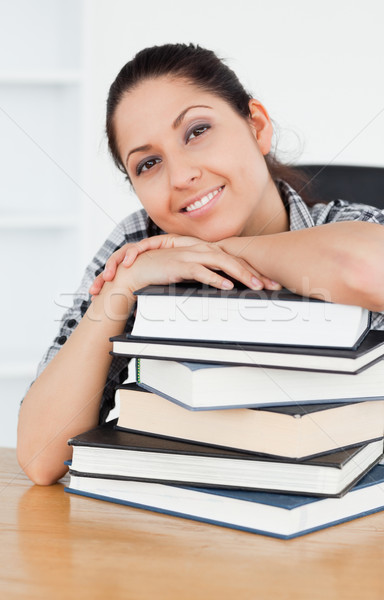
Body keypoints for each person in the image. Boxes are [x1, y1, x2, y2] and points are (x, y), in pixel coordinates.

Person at [17, 43, 384, 485]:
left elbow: (368, 271)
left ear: (257, 126)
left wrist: (228, 250)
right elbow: (40, 456)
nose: (180, 176)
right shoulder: (139, 246)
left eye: (196, 131)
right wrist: (121, 287)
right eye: (148, 163)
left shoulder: (347, 224)